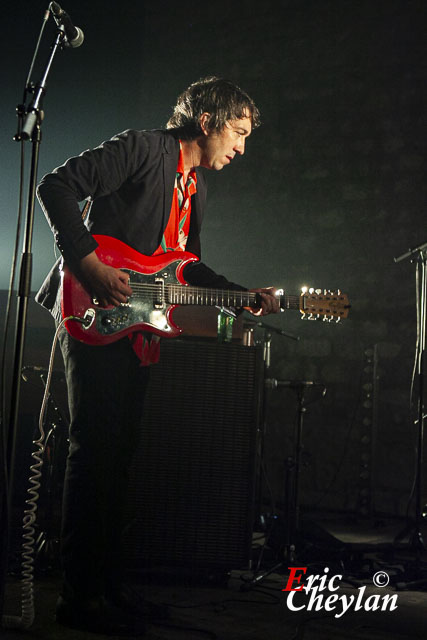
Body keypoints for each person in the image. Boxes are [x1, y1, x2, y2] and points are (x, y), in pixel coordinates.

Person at [36, 76, 279, 635]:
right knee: (93, 452)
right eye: (238, 132)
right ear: (209, 120)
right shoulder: (143, 148)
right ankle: (77, 598)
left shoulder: (193, 187)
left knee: (120, 459)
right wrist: (89, 263)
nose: (242, 147)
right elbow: (57, 185)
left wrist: (245, 296)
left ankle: (109, 588)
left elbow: (185, 266)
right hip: (94, 310)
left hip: (139, 327)